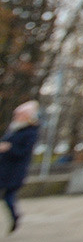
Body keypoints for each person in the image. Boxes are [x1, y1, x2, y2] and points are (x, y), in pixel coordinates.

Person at [0, 100, 40, 233]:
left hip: (15, 171)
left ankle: (15, 217)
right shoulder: (14, 129)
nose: (16, 117)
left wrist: (9, 148)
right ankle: (15, 216)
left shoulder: (30, 132)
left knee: (9, 196)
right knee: (8, 197)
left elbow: (24, 152)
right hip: (4, 168)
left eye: (19, 115)